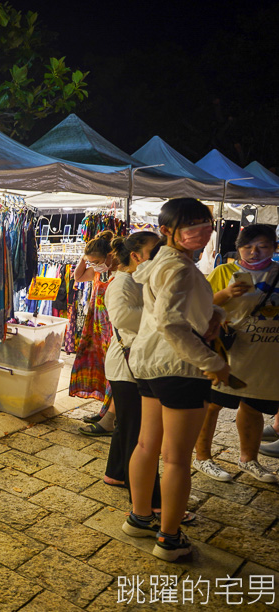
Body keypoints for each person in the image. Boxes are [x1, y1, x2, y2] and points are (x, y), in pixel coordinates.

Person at [124, 198, 229, 562]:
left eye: (206, 222)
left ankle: (140, 517)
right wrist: (211, 360)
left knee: (146, 445)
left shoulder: (161, 262)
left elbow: (166, 309)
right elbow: (171, 320)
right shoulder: (181, 267)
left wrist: (214, 311)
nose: (201, 230)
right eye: (191, 224)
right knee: (177, 459)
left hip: (149, 362)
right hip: (180, 367)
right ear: (167, 230)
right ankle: (169, 539)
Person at [192, 224, 279, 482]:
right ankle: (203, 458)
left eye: (262, 246)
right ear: (238, 247)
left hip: (266, 354)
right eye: (247, 246)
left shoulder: (277, 273)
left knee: (253, 405)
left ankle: (248, 460)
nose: (253, 252)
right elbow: (200, 306)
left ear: (274, 248)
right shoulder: (225, 271)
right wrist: (227, 293)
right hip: (230, 351)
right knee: (213, 405)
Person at [103, 232, 165, 500]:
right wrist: (163, 309)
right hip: (126, 365)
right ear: (136, 256)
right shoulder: (123, 282)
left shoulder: (138, 279)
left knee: (128, 426)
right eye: (156, 250)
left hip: (130, 362)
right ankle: (148, 499)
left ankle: (116, 473)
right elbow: (123, 317)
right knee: (138, 434)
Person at [71, 230, 118, 438]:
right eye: (92, 262)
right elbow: (78, 276)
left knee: (113, 371)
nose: (94, 265)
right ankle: (104, 411)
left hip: (112, 326)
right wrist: (84, 258)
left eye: (97, 261)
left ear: (110, 255)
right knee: (103, 368)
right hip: (97, 325)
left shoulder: (120, 271)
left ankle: (110, 415)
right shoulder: (98, 272)